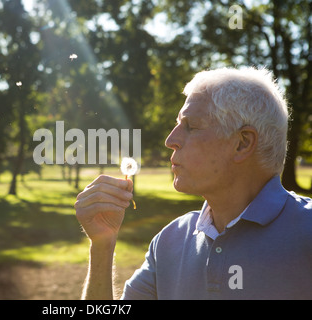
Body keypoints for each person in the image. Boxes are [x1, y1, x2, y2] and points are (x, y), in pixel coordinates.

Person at [74, 67, 312, 300]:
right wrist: (102, 246)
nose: (171, 140)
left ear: (242, 143)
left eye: (191, 126)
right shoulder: (168, 242)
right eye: (177, 125)